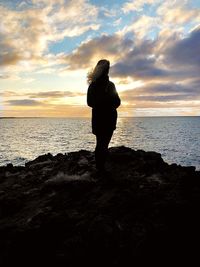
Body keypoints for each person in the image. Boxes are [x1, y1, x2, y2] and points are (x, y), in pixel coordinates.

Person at [87, 59, 121, 171]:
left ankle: (99, 167)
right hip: (108, 118)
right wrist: (108, 105)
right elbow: (117, 102)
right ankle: (101, 169)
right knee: (104, 144)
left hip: (97, 118)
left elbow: (90, 102)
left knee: (100, 143)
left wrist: (100, 105)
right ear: (107, 70)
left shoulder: (92, 85)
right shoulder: (110, 85)